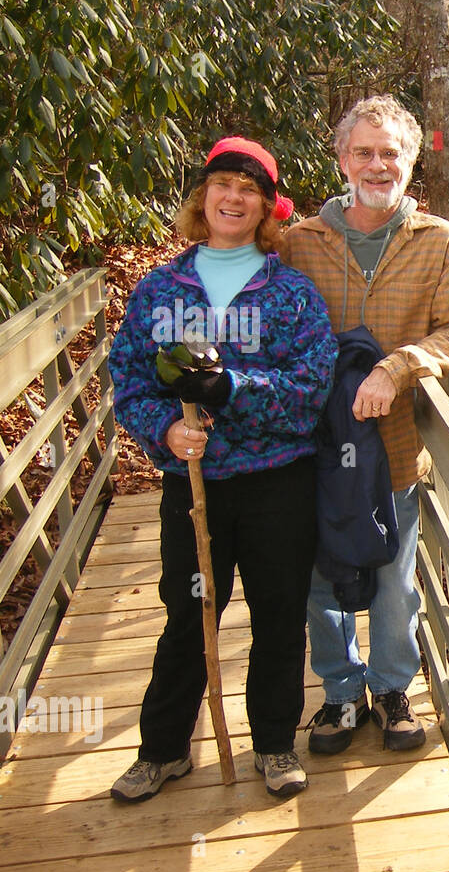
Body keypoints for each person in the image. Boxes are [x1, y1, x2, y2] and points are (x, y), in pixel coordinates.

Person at [108, 137, 337, 801]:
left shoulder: (290, 291)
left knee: (277, 611)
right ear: (202, 199)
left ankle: (272, 744)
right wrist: (168, 428)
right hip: (193, 486)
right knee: (189, 612)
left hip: (277, 481)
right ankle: (163, 750)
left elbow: (310, 387)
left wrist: (231, 386)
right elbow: (128, 379)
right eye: (221, 187)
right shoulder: (161, 289)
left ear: (266, 209)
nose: (233, 199)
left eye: (248, 191)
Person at [280, 95, 449, 753]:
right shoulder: (300, 243)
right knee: (319, 573)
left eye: (390, 152)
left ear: (411, 159)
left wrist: (398, 367)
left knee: (394, 574)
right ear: (341, 159)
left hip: (393, 446)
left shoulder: (439, 241)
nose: (376, 164)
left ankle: (393, 687)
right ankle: (340, 693)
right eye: (363, 152)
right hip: (314, 448)